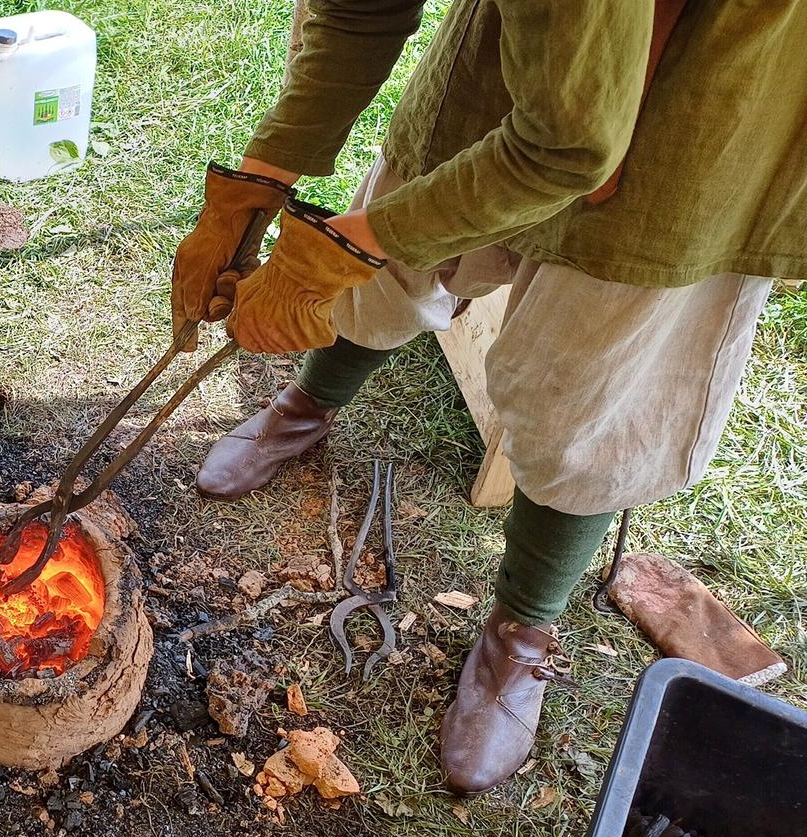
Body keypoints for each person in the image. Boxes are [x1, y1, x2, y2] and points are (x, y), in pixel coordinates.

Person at [172, 0, 807, 794]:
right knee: (384, 276)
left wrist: (330, 251)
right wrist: (260, 177)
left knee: (592, 392)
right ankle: (306, 410)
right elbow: (362, 10)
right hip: (517, 74)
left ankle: (522, 628)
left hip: (715, 112)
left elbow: (571, 145)